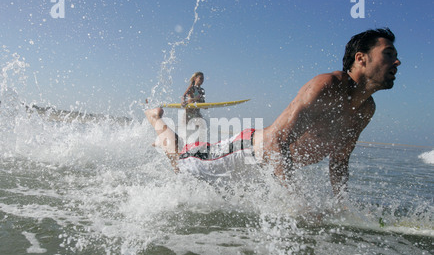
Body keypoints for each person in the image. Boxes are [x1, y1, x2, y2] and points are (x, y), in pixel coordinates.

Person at [145, 28, 401, 199]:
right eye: (388, 54)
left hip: (269, 171)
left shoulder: (366, 109)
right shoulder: (327, 86)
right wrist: (297, 199)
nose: (397, 62)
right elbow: (276, 142)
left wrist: (343, 205)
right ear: (361, 58)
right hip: (246, 153)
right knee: (181, 163)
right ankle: (156, 120)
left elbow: (339, 161)